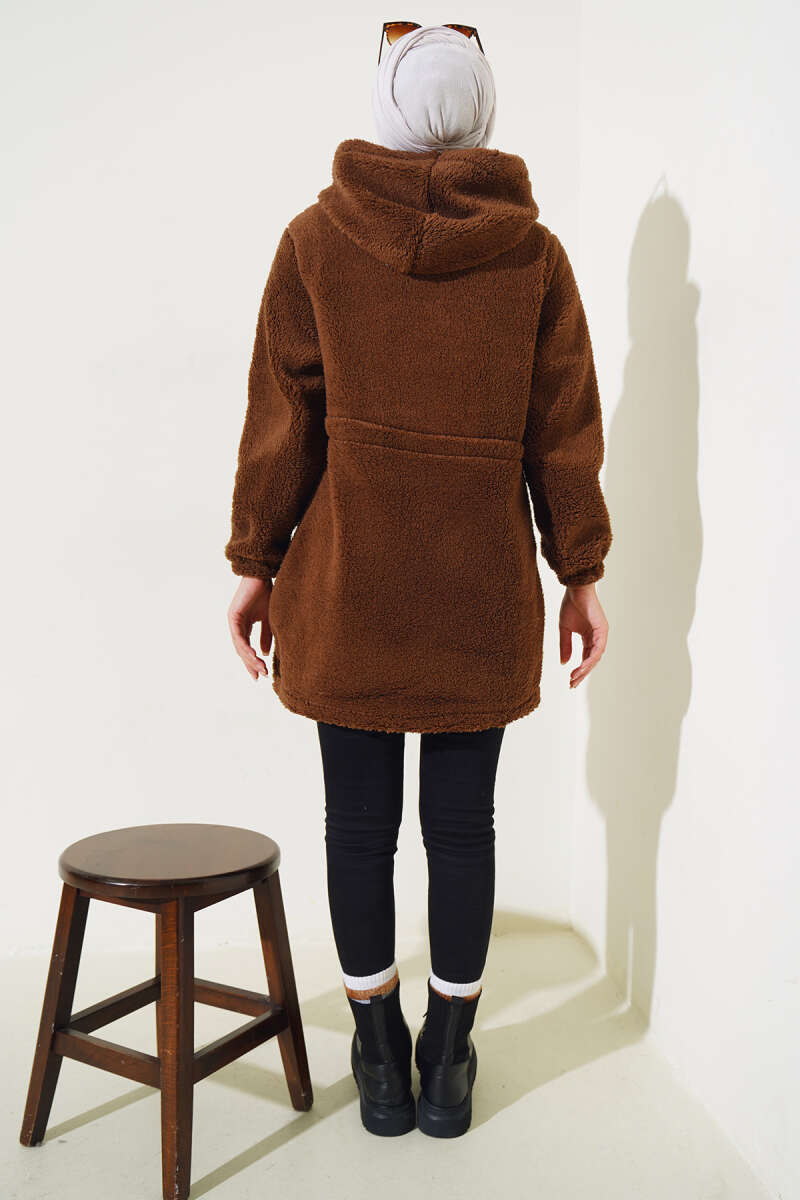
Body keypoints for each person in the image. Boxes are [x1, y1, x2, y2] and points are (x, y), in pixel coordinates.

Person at [224, 24, 612, 1139]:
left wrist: (255, 559)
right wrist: (579, 570)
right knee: (462, 827)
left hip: (347, 587)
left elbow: (283, 421)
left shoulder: (314, 242)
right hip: (477, 593)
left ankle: (378, 1053)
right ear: (485, 116)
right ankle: (448, 1059)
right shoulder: (533, 259)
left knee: (357, 827)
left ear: (382, 109)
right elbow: (563, 433)